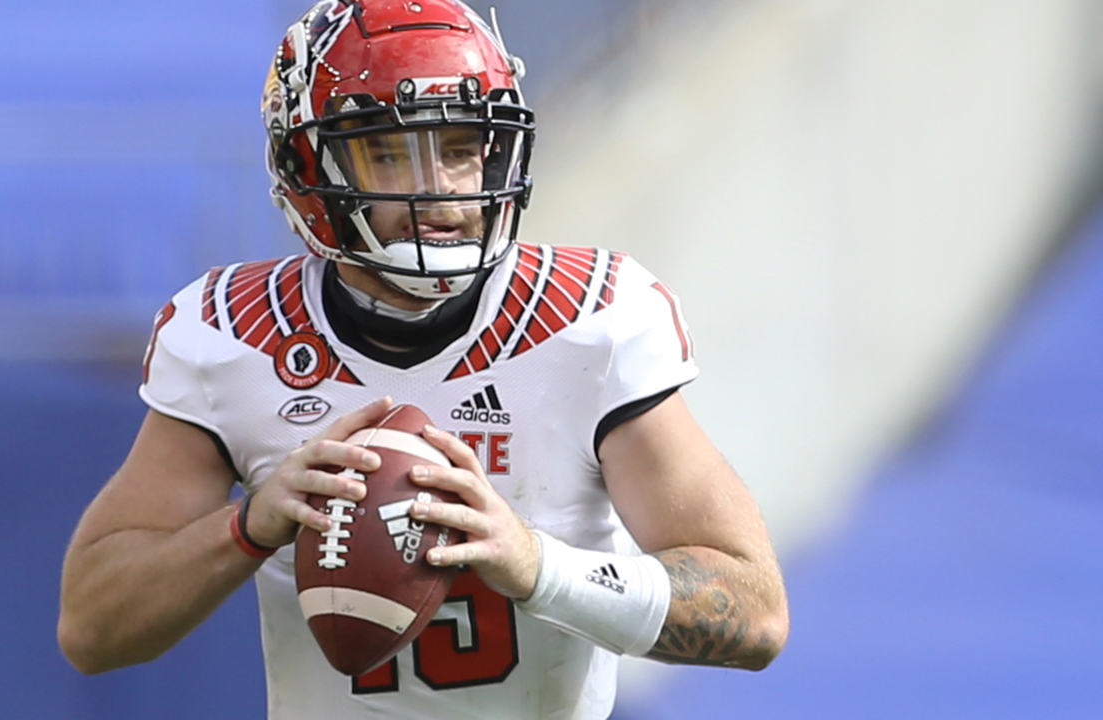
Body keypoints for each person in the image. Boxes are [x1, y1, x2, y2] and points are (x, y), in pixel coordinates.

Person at [57, 1, 789, 717]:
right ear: (305, 163)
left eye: (463, 147)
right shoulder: (238, 337)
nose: (439, 189)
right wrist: (248, 528)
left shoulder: (588, 322)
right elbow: (91, 629)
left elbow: (756, 614)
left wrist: (538, 566)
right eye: (387, 149)